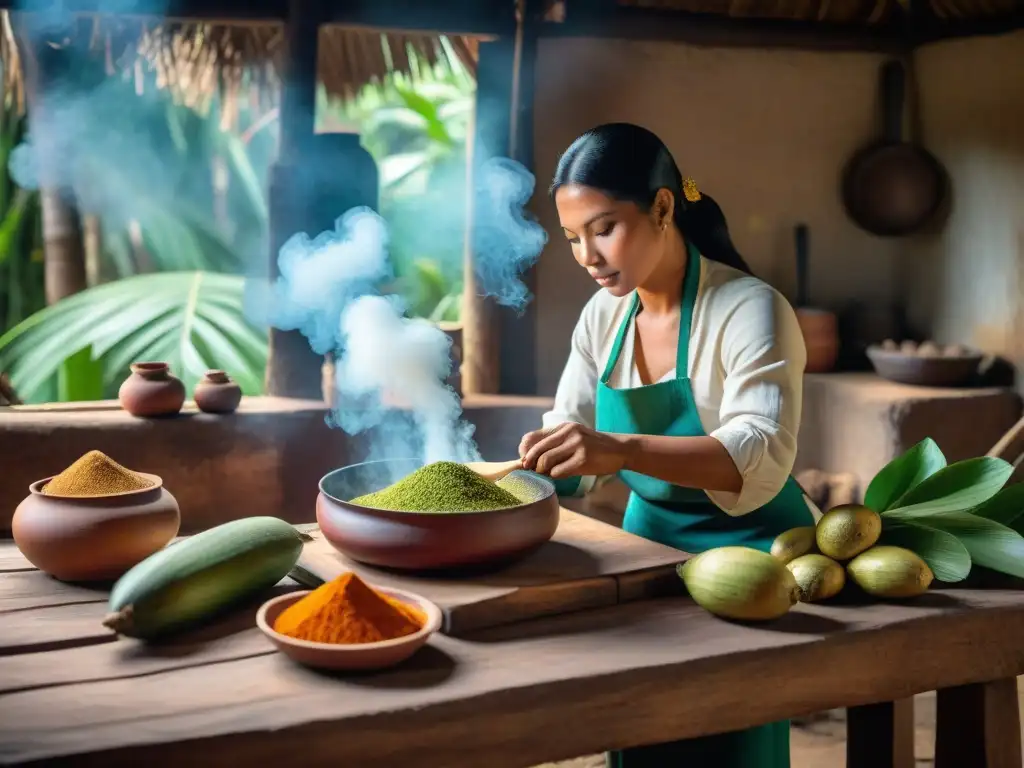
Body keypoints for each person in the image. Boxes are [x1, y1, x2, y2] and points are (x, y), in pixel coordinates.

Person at [518, 122, 813, 768]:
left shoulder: (749, 309)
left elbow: (758, 450)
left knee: (730, 738)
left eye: (602, 228)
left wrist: (619, 449)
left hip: (751, 556)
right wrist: (534, 466)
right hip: (648, 555)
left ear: (661, 207)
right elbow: (572, 435)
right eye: (572, 238)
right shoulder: (603, 317)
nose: (587, 256)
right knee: (645, 726)